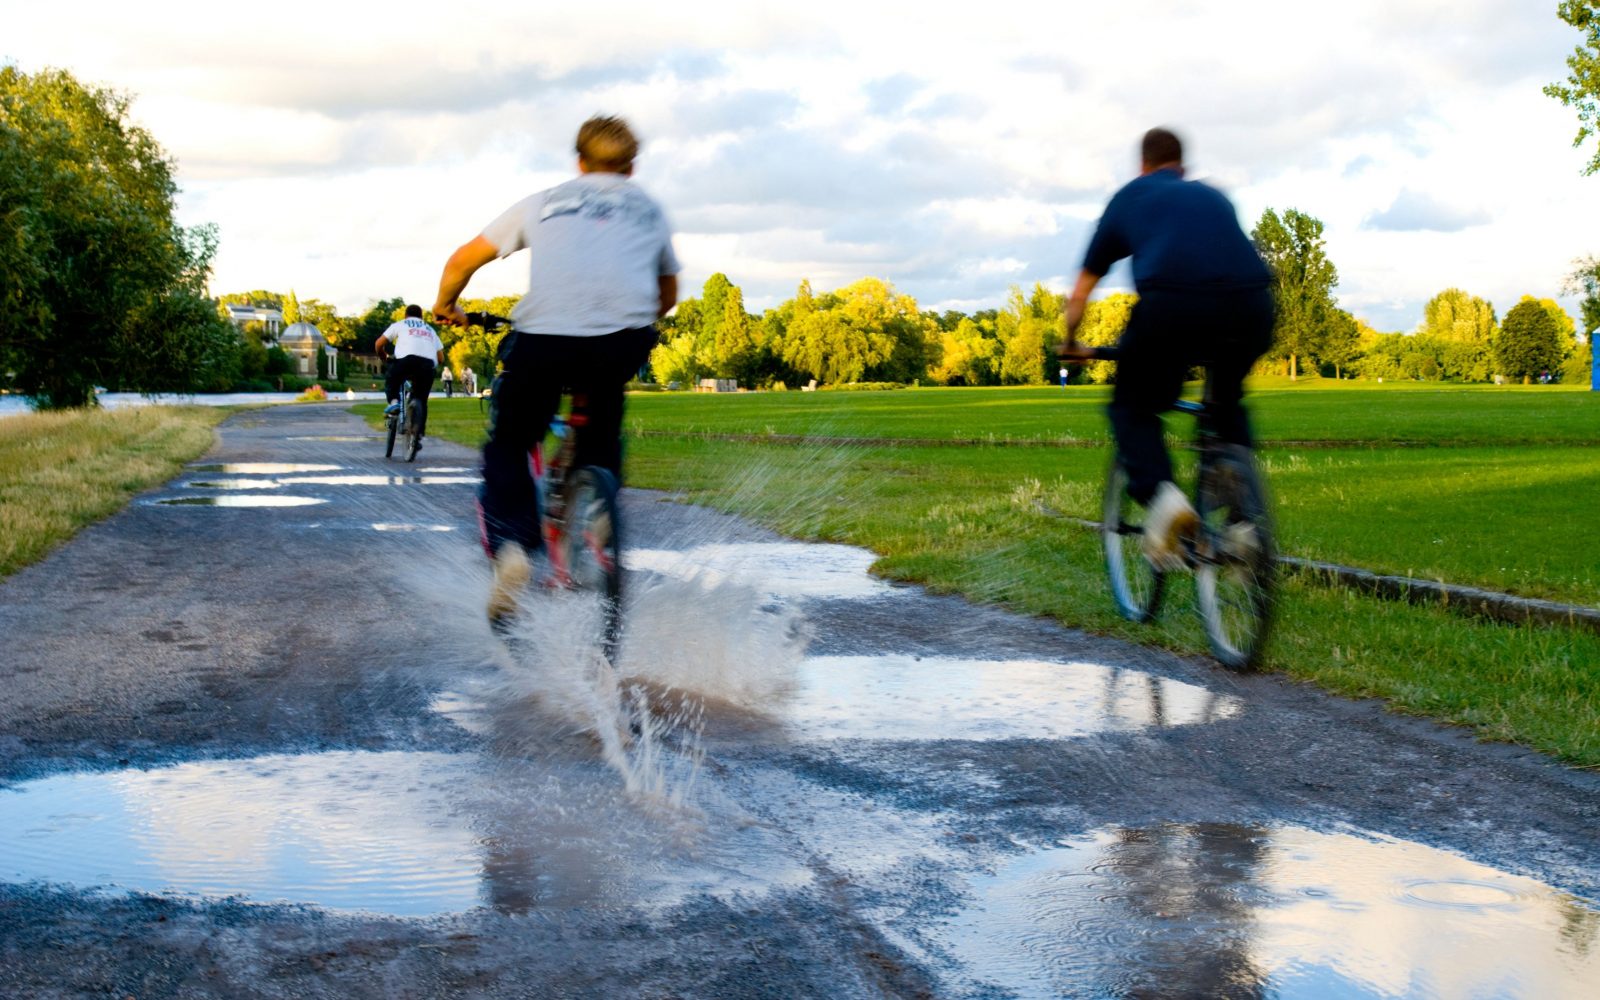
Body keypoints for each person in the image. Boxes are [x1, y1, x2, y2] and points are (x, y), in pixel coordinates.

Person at [432, 115, 679, 625]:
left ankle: (513, 549)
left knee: (511, 442)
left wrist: (445, 306)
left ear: (580, 161)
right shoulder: (648, 209)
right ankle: (600, 500)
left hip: (544, 340)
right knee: (602, 423)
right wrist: (624, 320)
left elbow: (462, 260)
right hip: (619, 341)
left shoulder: (542, 202)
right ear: (630, 167)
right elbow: (668, 293)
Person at [1058, 127, 1275, 570]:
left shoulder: (1130, 197)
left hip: (1173, 306)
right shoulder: (1214, 197)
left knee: (1133, 407)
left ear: (1142, 165)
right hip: (1255, 305)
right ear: (1182, 167)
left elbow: (1079, 294)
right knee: (1226, 402)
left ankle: (1164, 500)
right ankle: (1242, 522)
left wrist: (1071, 344)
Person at [375, 305, 445, 445]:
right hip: (427, 365)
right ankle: (417, 435)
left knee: (392, 378)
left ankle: (394, 403)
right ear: (421, 317)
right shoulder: (430, 329)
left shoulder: (400, 324)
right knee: (421, 399)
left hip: (406, 361)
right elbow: (441, 358)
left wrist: (384, 357)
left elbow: (378, 344)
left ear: (405, 315)